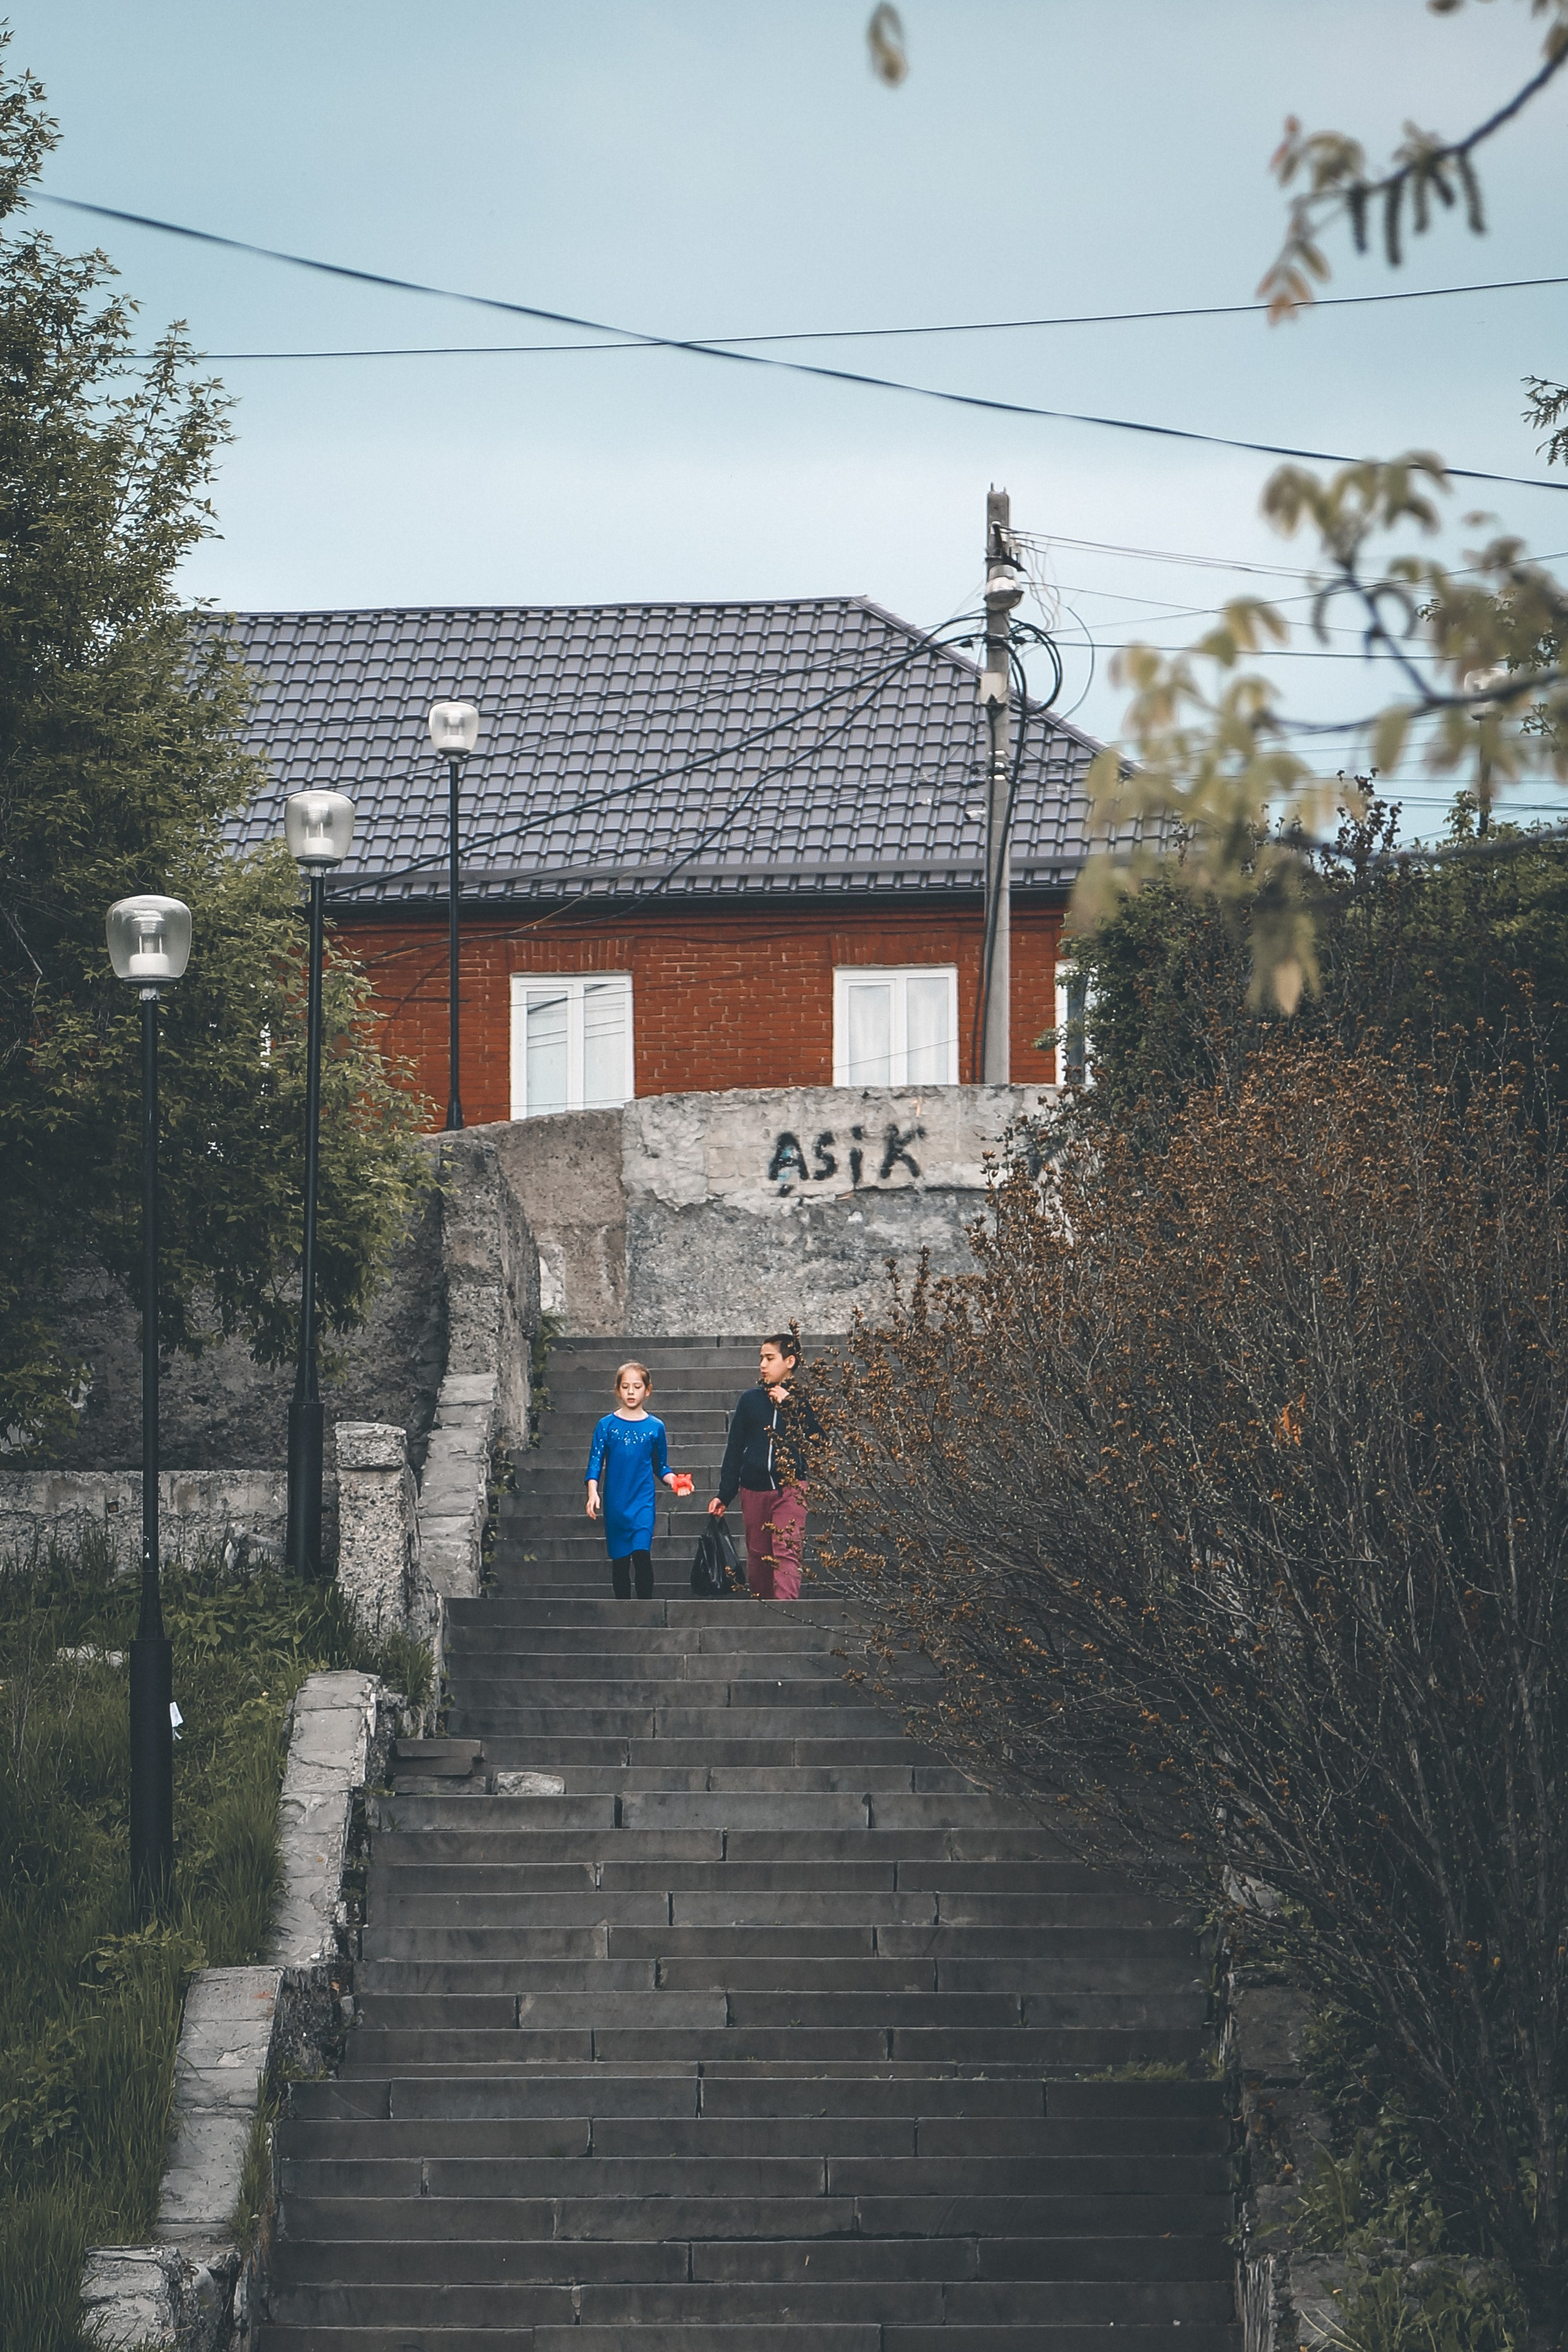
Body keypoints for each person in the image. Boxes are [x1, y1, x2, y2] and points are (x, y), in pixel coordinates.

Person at [709, 1331, 820, 1601]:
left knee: (786, 1551)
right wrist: (725, 1494)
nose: (762, 1365)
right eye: (761, 1358)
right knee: (759, 1558)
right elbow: (734, 1449)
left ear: (790, 1361)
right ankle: (763, 1613)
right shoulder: (750, 1401)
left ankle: (788, 1615)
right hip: (753, 1490)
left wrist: (792, 1406)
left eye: (770, 1358)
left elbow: (819, 1441)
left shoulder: (805, 1400)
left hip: (791, 1489)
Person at [585, 1360, 687, 1599]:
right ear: (617, 1390)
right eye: (626, 1386)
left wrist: (674, 1481)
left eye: (637, 1386)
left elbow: (660, 1465)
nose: (631, 1392)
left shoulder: (655, 1427)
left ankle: (645, 1608)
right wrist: (593, 1492)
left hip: (643, 1500)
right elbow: (595, 1462)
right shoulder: (606, 1425)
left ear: (647, 1390)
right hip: (616, 1502)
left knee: (642, 1553)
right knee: (620, 1560)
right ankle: (624, 1611)